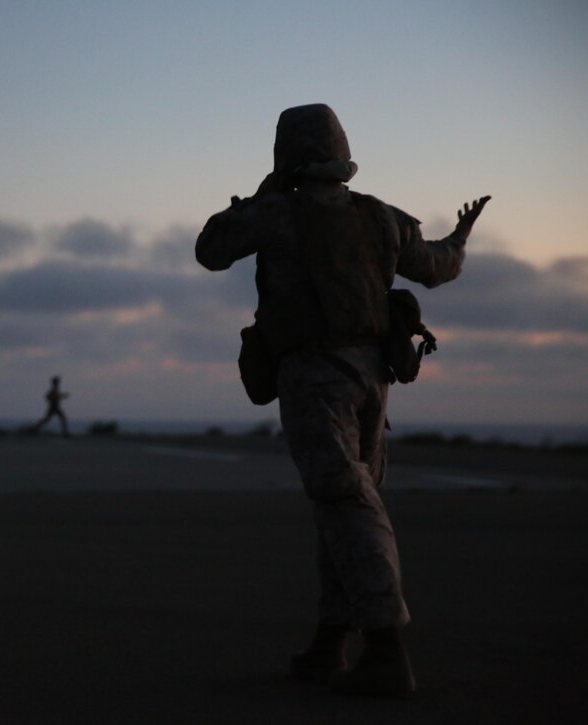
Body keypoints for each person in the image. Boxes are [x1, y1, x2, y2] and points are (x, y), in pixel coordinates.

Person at [195, 104, 490, 698]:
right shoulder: (381, 216)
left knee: (346, 502)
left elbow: (211, 248)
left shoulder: (276, 211)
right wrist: (460, 236)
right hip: (372, 380)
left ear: (286, 154)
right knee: (346, 502)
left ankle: (386, 650)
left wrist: (263, 191)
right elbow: (436, 267)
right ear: (342, 153)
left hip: (313, 376)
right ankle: (332, 641)